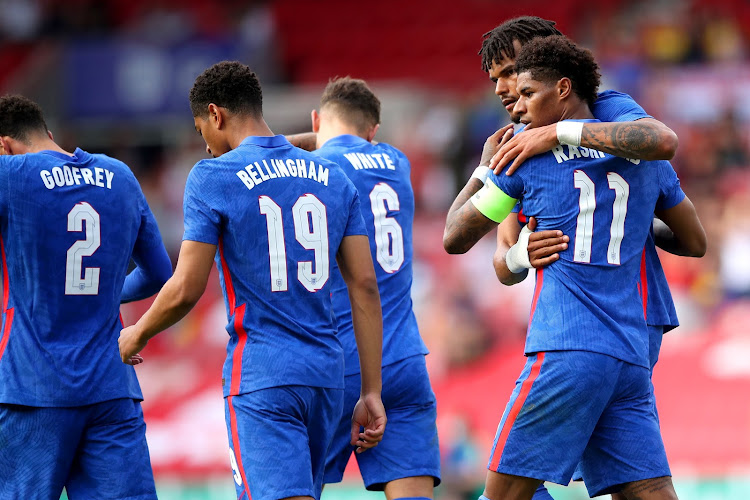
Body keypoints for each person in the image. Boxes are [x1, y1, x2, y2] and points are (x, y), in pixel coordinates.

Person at [443, 36, 706, 500]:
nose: (511, 97)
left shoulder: (525, 156)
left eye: (520, 85)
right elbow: (694, 240)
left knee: (502, 494)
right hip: (630, 348)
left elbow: (456, 235)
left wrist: (487, 169)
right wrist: (524, 253)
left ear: (561, 86)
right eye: (502, 82)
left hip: (566, 347)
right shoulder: (640, 153)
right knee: (646, 490)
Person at [118, 61, 387, 500]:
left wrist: (138, 333)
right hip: (326, 379)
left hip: (263, 375)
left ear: (215, 114)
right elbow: (364, 285)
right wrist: (371, 390)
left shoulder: (213, 177)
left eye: (200, 129)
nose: (204, 145)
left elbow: (187, 288)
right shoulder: (333, 178)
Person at [0, 95, 172, 499]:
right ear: (49, 135)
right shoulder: (122, 176)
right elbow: (161, 274)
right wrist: (109, 296)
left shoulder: (13, 175)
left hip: (33, 391)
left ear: (3, 146)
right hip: (111, 388)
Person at [310, 76, 440, 499]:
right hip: (403, 358)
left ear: (316, 121)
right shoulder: (396, 161)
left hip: (335, 358)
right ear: (373, 132)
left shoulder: (316, 170)